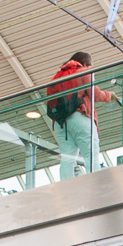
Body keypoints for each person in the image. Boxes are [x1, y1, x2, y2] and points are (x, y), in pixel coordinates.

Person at [46, 50, 112, 180]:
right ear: (86, 63)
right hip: (79, 117)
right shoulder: (83, 72)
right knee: (91, 154)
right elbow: (95, 94)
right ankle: (95, 183)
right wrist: (110, 96)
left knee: (67, 157)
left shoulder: (56, 77)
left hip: (60, 123)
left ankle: (65, 187)